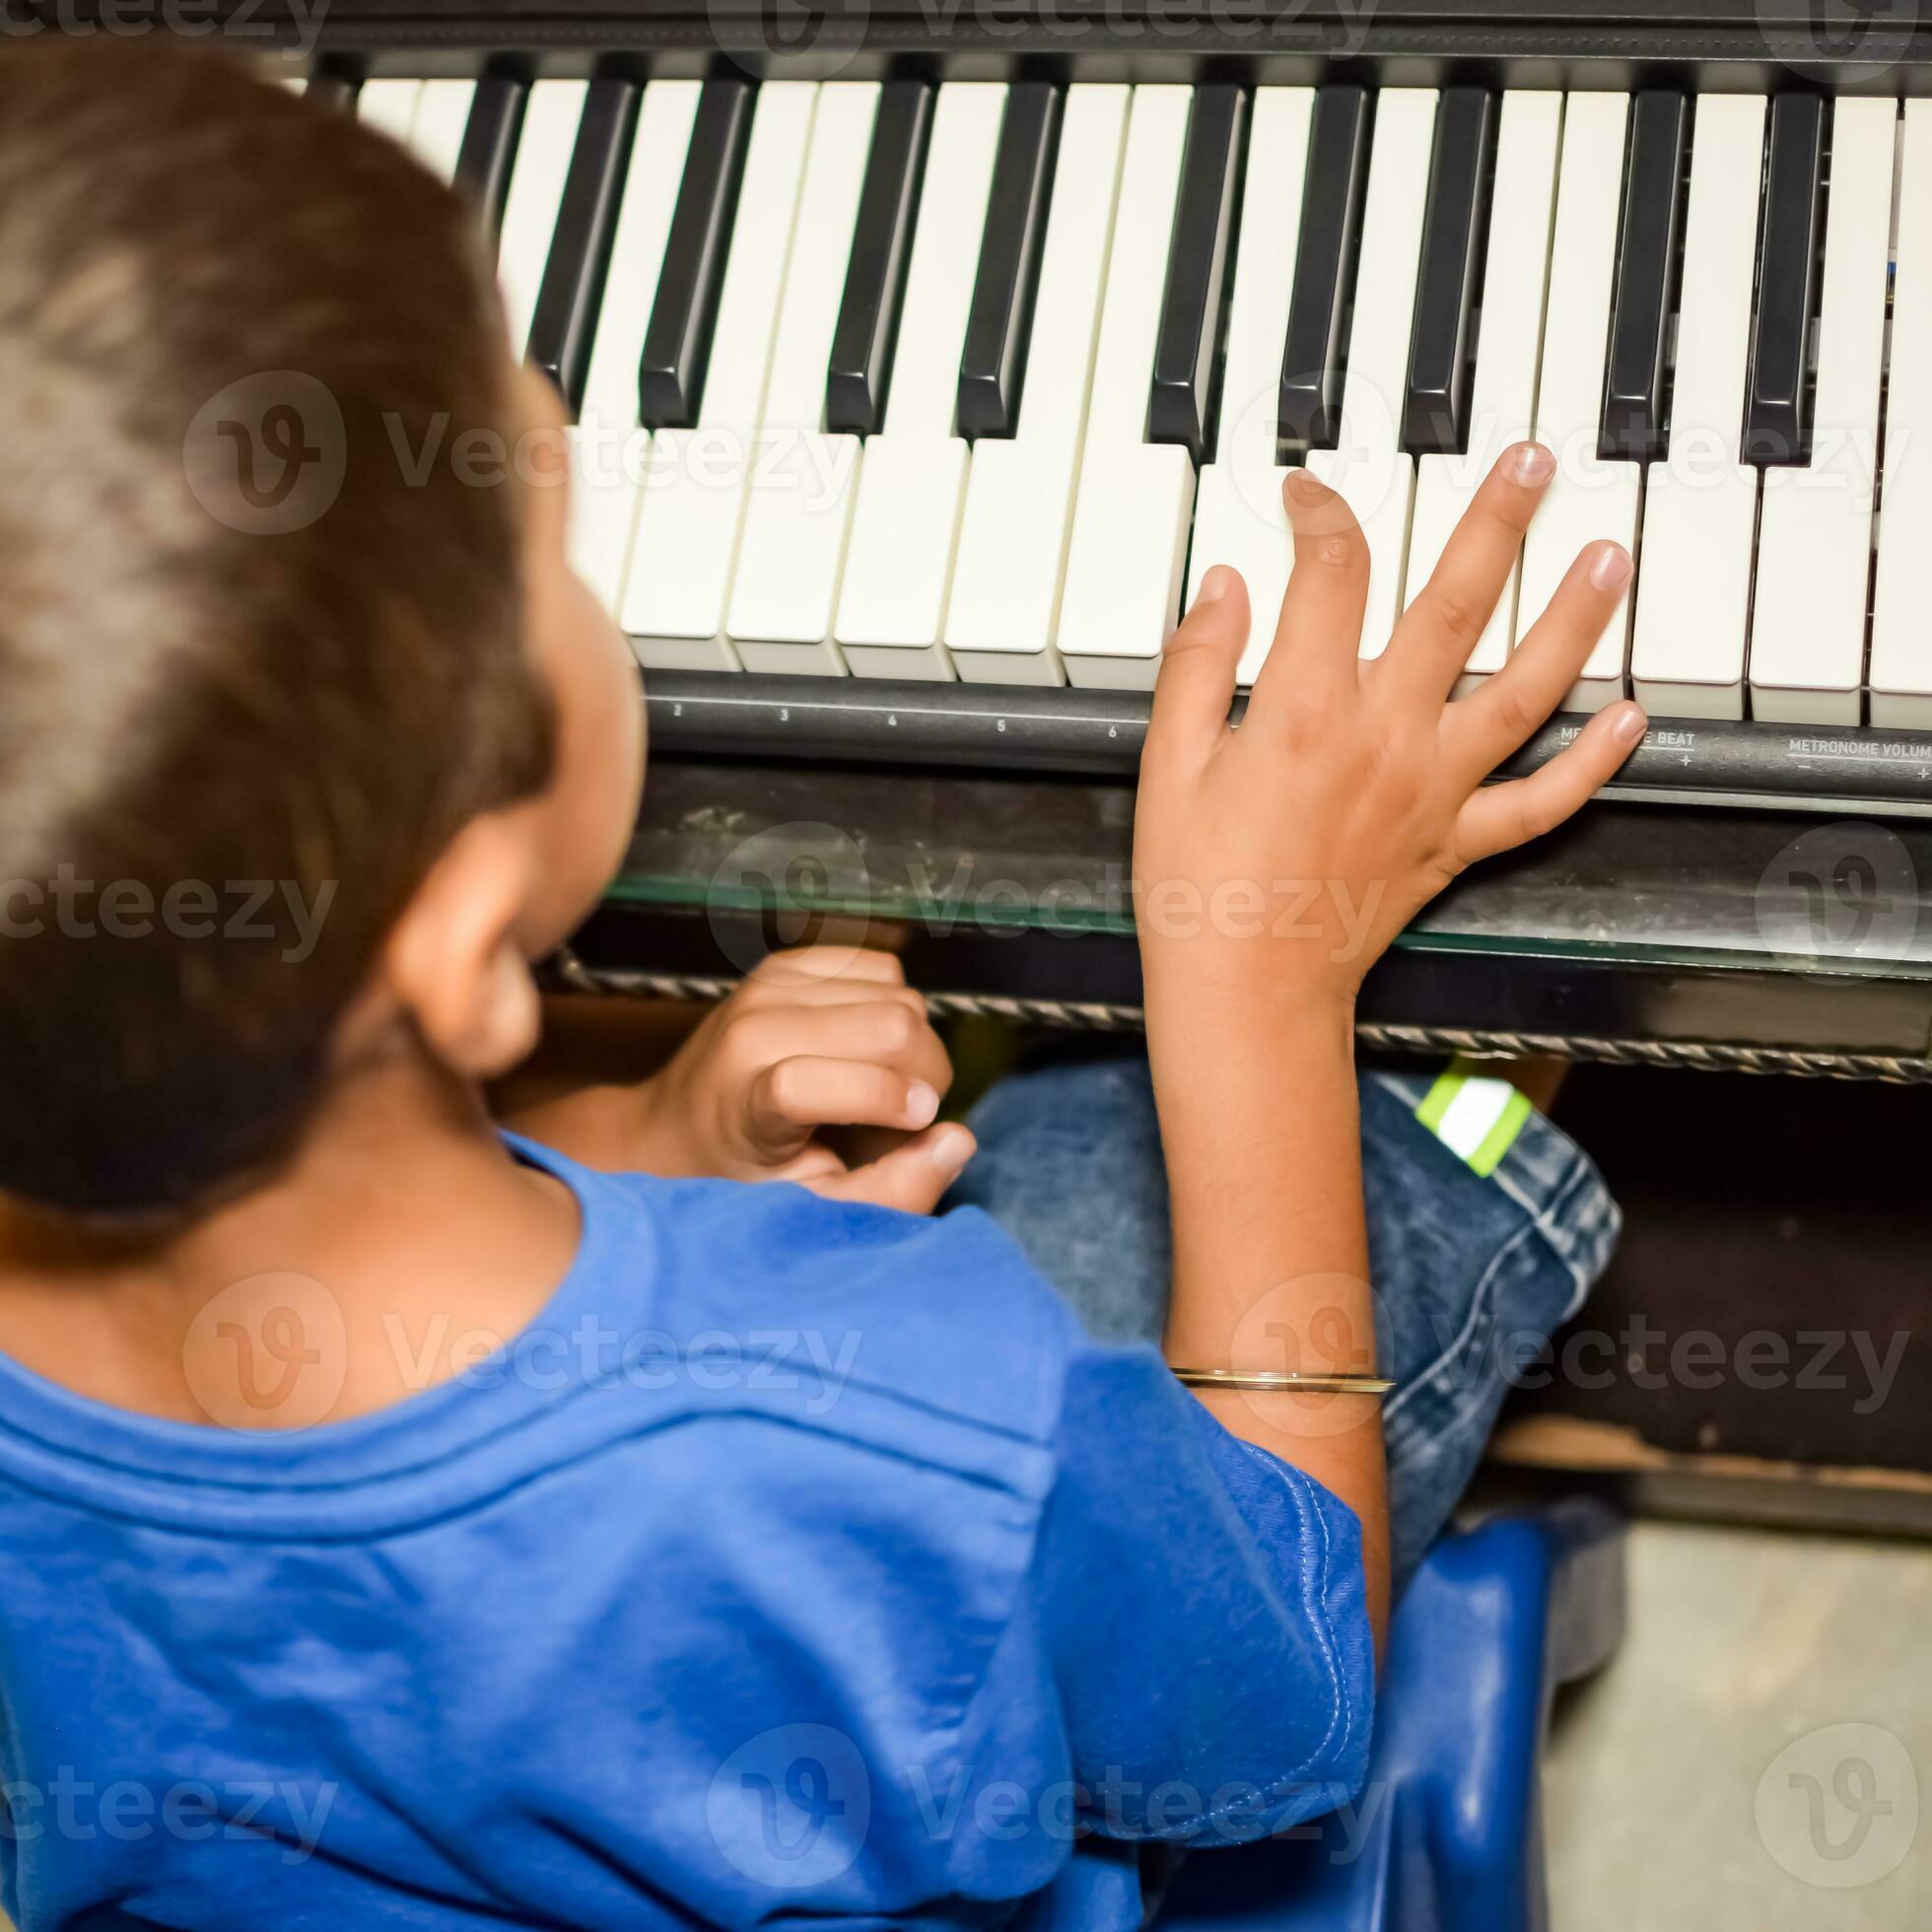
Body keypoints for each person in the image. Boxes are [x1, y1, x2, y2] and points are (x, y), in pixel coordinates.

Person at [0, 39, 1631, 1930]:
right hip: (1077, 1682)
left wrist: (652, 1137)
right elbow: (1271, 1709)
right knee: (1185, 1138)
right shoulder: (923, 1407)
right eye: (538, 535)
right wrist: (1259, 988)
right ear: (456, 949)